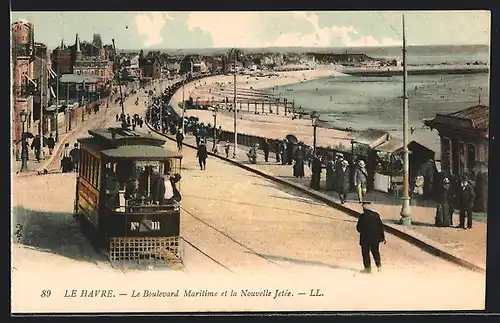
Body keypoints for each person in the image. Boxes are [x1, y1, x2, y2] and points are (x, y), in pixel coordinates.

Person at [356, 202, 386, 273]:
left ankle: (368, 268)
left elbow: (358, 228)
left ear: (364, 208)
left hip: (365, 239)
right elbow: (380, 227)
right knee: (375, 252)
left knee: (365, 253)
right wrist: (382, 237)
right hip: (375, 238)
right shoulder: (376, 215)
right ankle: (379, 266)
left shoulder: (362, 216)